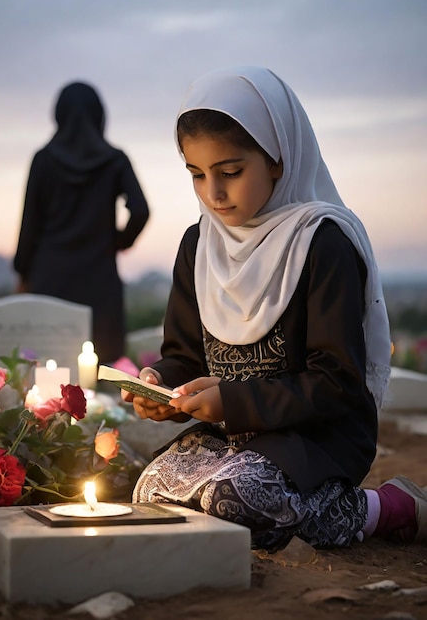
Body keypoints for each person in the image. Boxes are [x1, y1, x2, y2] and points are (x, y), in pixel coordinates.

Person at [122, 65, 427, 551]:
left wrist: (234, 401)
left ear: (278, 160)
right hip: (234, 435)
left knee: (240, 501)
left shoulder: (322, 243)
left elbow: (337, 383)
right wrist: (161, 385)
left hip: (315, 436)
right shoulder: (198, 245)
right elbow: (186, 355)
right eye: (197, 175)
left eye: (231, 172)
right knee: (150, 489)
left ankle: (380, 508)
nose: (213, 194)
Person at [13, 81, 150, 364]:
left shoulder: (43, 160)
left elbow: (30, 225)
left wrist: (23, 272)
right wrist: (118, 242)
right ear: (100, 115)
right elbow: (140, 210)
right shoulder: (115, 160)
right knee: (101, 373)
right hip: (98, 279)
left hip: (49, 279)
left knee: (47, 377)